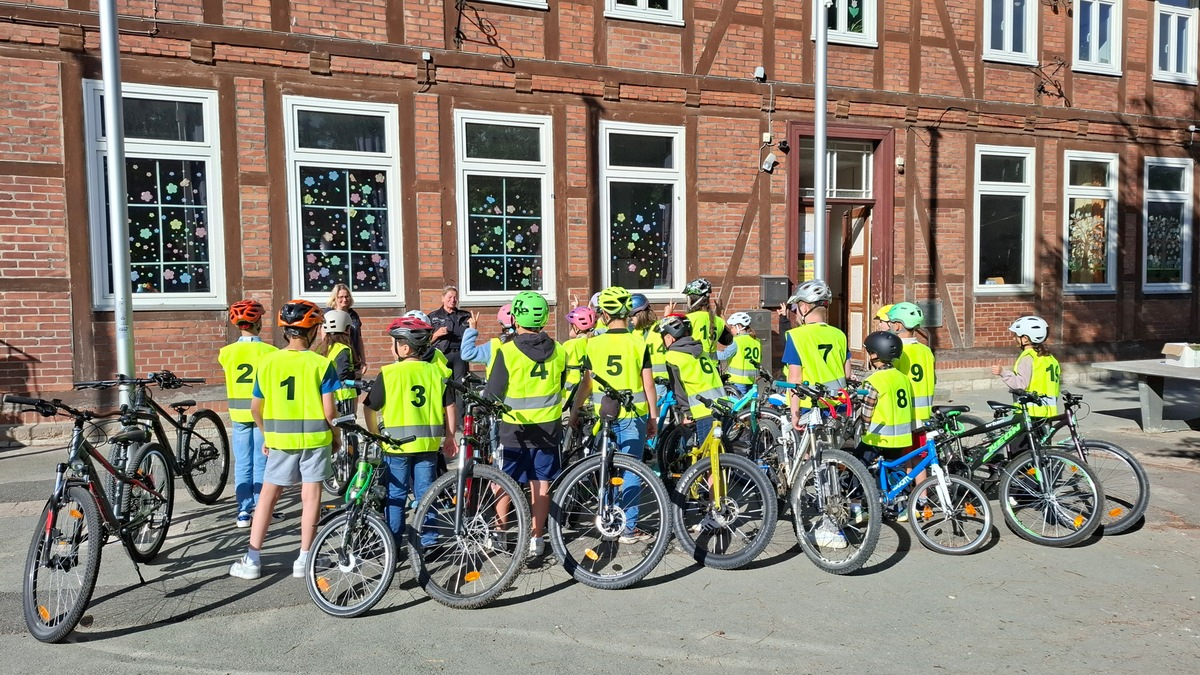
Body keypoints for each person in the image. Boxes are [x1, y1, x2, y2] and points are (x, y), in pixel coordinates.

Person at [230, 300, 338, 580]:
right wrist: (335, 436)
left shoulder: (267, 363)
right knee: (311, 496)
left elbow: (256, 407)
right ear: (313, 330)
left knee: (267, 497)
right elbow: (329, 410)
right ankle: (305, 558)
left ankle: (252, 559)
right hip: (315, 439)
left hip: (279, 440)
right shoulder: (321, 364)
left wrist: (266, 434)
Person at [573, 286, 659, 544]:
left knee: (606, 466)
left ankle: (607, 516)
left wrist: (576, 409)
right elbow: (649, 384)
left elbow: (586, 384)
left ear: (604, 315)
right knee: (631, 468)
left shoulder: (593, 344)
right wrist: (653, 416)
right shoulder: (639, 342)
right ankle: (629, 527)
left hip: (605, 416)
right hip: (634, 415)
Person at [483, 292, 566, 556]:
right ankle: (536, 539)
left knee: (504, 482)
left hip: (514, 430)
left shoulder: (507, 351)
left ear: (516, 318)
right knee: (540, 483)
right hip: (549, 428)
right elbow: (562, 385)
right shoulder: (560, 349)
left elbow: (493, 394)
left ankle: (500, 534)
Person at [362, 316, 456, 547]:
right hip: (428, 445)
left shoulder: (390, 373)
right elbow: (450, 405)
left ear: (404, 347)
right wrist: (451, 436)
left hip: (396, 445)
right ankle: (430, 540)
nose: (390, 347)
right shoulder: (436, 372)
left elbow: (369, 407)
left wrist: (376, 435)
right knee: (427, 493)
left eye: (393, 342)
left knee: (396, 494)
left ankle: (393, 542)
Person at [218, 300, 278, 528]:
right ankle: (263, 509)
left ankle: (243, 511)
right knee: (262, 462)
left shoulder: (226, 352)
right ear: (259, 322)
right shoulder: (270, 352)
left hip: (238, 414)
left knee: (242, 463)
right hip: (263, 413)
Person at [858, 330, 916, 523]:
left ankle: (861, 507)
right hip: (901, 437)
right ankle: (900, 509)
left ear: (874, 355)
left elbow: (867, 412)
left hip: (877, 437)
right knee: (895, 473)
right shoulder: (903, 378)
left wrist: (860, 428)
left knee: (858, 467)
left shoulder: (874, 381)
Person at [780, 279, 851, 430]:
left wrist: (795, 413)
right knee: (832, 451)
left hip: (808, 405)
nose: (796, 313)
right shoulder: (839, 335)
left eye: (796, 308)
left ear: (804, 308)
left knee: (810, 451)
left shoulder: (796, 336)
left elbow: (795, 378)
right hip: (837, 405)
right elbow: (848, 374)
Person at [659, 314, 725, 452]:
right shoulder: (701, 350)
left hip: (701, 410)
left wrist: (687, 413)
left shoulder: (673, 356)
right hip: (721, 404)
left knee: (708, 458)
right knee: (719, 451)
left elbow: (679, 390)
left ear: (670, 338)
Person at [991, 316, 1060, 419]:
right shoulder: (1049, 358)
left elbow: (1020, 384)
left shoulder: (1028, 357)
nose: (1013, 338)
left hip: (1030, 411)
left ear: (1025, 339)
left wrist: (1003, 372)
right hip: (1047, 410)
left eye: (1016, 335)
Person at [887, 302, 935, 426]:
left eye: (890, 322)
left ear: (897, 326)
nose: (889, 326)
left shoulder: (896, 351)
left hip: (904, 411)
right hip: (924, 413)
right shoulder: (926, 350)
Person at [312, 309, 358, 416]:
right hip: (344, 398)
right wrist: (356, 374)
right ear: (346, 329)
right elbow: (341, 374)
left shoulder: (321, 349)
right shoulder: (343, 349)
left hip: (325, 396)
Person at [680, 277, 733, 359]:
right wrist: (721, 316)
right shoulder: (718, 321)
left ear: (692, 299)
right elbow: (729, 340)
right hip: (713, 369)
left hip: (695, 368)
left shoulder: (688, 319)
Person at [428, 285, 472, 381]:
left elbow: (471, 335)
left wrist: (474, 327)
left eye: (455, 297)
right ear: (443, 298)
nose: (453, 300)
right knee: (443, 384)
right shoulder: (432, 317)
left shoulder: (465, 316)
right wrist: (436, 334)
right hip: (442, 354)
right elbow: (426, 342)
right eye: (450, 297)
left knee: (461, 384)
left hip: (460, 354)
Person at [461, 304, 515, 377]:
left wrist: (472, 329)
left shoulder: (493, 346)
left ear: (501, 324)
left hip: (497, 388)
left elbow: (467, 354)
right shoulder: (531, 342)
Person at [327, 284, 365, 377]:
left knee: (353, 389)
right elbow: (326, 339)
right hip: (339, 359)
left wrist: (363, 361)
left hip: (354, 359)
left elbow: (359, 339)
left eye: (346, 296)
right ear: (334, 298)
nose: (344, 299)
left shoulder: (353, 315)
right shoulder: (329, 315)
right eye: (340, 297)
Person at [723, 311, 762, 397]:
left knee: (736, 407)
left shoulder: (737, 341)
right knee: (749, 408)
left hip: (738, 381)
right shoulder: (757, 341)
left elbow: (725, 355)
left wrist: (709, 354)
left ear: (739, 327)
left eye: (732, 327)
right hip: (752, 380)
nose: (731, 330)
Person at [562, 306, 596, 403]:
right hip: (593, 394)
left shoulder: (569, 345)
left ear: (576, 327)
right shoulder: (596, 342)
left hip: (574, 394)